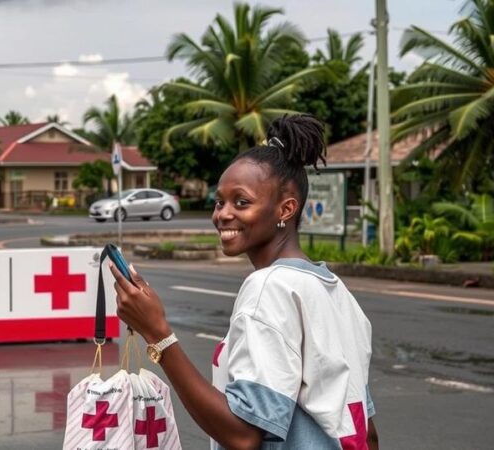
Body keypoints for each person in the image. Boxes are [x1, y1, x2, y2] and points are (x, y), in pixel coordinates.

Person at [110, 114, 379, 450]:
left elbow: (244, 435)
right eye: (219, 201)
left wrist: (158, 334)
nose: (222, 214)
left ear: (286, 209)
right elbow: (366, 432)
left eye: (242, 202)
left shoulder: (270, 287)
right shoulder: (334, 289)